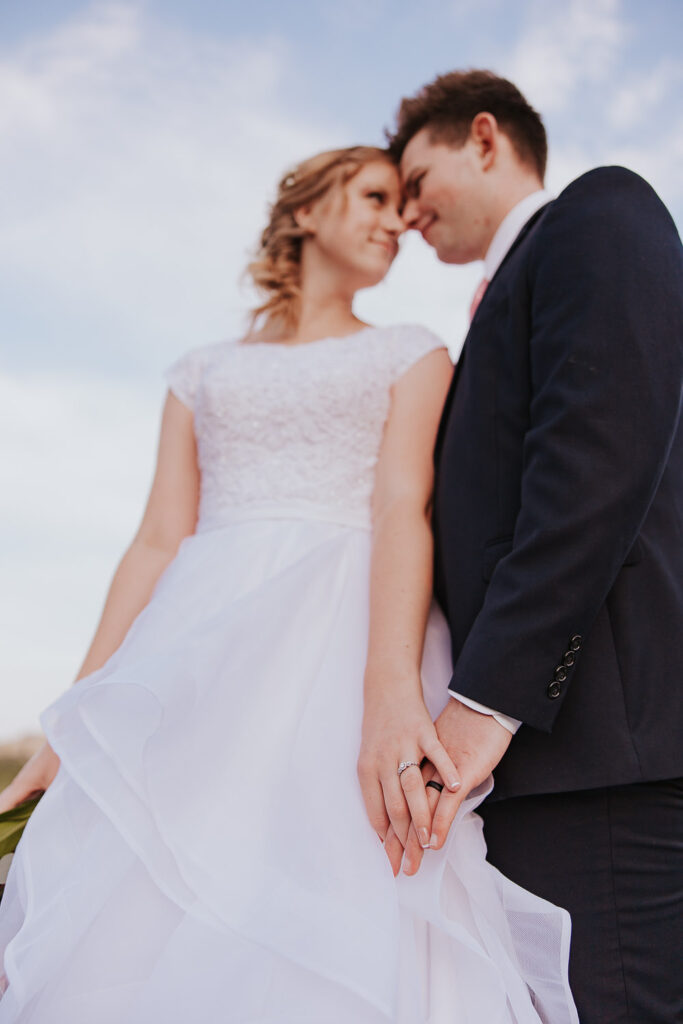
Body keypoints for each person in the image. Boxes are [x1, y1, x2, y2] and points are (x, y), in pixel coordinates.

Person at [0, 145, 577, 1022]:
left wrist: (387, 691)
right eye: (376, 197)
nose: (399, 220)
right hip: (197, 648)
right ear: (306, 210)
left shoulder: (412, 353)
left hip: (341, 638)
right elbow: (156, 541)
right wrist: (74, 713)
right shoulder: (200, 370)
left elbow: (399, 512)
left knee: (336, 881)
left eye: (404, 201)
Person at [362, 70, 683, 1023]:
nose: (408, 212)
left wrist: (487, 699)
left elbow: (596, 451)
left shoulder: (599, 213)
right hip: (539, 770)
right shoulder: (477, 325)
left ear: (487, 139)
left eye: (418, 180)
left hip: (597, 756)